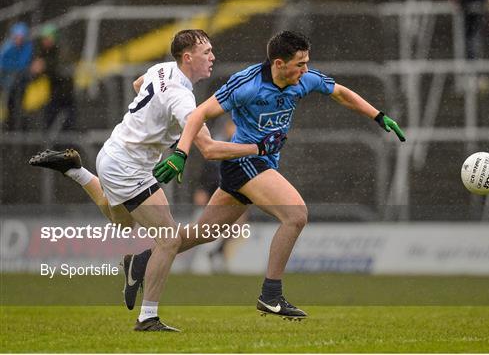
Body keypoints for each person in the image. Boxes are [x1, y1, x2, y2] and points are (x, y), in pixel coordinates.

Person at [126, 30, 406, 322]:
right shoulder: (247, 84)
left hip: (260, 163)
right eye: (300, 63)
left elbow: (340, 93)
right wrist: (181, 154)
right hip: (245, 161)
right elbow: (198, 115)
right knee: (296, 215)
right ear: (279, 63)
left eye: (307, 62)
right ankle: (271, 295)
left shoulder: (303, 79)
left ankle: (142, 261)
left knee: (202, 234)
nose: (306, 70)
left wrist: (378, 116)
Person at [29, 29, 286, 332]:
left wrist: (157, 124)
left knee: (121, 221)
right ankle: (147, 317)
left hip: (113, 155)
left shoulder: (162, 69)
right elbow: (210, 149)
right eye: (207, 53)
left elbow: (141, 85)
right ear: (188, 57)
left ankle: (76, 170)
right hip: (128, 168)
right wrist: (259, 147)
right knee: (170, 239)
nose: (213, 57)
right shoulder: (182, 98)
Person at [30, 24, 76, 130]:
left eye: (48, 37)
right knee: (50, 123)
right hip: (54, 93)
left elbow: (61, 68)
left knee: (68, 126)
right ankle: (53, 145)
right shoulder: (44, 52)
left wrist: (44, 66)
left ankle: (66, 145)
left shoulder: (62, 51)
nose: (46, 41)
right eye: (45, 38)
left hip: (66, 93)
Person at [0, 22, 33, 130]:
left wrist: (12, 67)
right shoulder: (8, 46)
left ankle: (16, 127)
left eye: (21, 37)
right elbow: (3, 62)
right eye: (17, 37)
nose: (18, 39)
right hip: (7, 81)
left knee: (16, 107)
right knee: (10, 106)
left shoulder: (27, 47)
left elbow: (22, 64)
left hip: (19, 83)